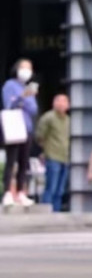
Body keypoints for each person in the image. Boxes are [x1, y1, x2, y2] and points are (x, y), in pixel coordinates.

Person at [2, 58, 39, 206]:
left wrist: (23, 101)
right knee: (11, 160)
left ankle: (21, 192)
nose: (26, 71)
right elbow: (9, 103)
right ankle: (7, 193)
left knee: (24, 162)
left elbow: (33, 109)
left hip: (27, 127)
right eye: (24, 67)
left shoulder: (29, 87)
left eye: (29, 68)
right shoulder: (10, 85)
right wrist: (21, 99)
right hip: (14, 125)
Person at [35, 93, 71, 212]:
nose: (61, 104)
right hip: (52, 156)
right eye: (59, 101)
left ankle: (56, 212)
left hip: (65, 157)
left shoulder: (68, 120)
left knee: (60, 190)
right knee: (51, 187)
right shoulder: (48, 118)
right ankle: (46, 212)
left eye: (64, 102)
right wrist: (45, 150)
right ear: (54, 103)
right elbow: (40, 136)